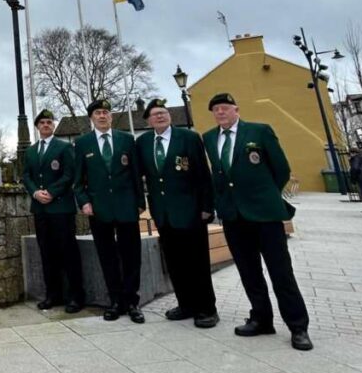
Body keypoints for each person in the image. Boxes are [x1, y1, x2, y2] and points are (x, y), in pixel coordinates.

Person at [202, 93, 312, 351]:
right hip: (233, 216)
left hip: (265, 215)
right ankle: (261, 318)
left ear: (236, 110)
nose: (220, 112)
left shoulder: (259, 131)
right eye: (216, 109)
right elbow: (218, 174)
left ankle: (298, 326)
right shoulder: (209, 138)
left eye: (225, 108)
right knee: (249, 271)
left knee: (280, 271)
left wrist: (265, 195)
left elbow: (281, 168)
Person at [135, 99, 218, 328]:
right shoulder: (143, 143)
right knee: (175, 262)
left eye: (163, 112)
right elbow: (139, 175)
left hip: (191, 211)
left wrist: (207, 207)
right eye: (155, 114)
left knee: (197, 262)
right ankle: (186, 304)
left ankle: (207, 309)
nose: (160, 116)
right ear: (148, 121)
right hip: (163, 213)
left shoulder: (189, 138)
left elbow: (203, 174)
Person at [74, 98, 145, 323]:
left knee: (131, 256)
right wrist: (84, 202)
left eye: (105, 112)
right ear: (91, 118)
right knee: (107, 256)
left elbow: (136, 174)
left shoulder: (126, 139)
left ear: (111, 117)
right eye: (98, 113)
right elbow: (78, 180)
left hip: (126, 207)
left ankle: (132, 302)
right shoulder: (82, 143)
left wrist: (140, 203)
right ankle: (115, 301)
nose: (102, 116)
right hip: (99, 209)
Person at [22, 109, 84, 313]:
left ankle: (76, 296)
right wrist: (35, 192)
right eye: (42, 123)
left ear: (53, 125)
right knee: (47, 253)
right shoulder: (31, 151)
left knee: (68, 252)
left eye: (49, 122)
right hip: (40, 209)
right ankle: (53, 295)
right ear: (37, 127)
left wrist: (51, 192)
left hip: (61, 208)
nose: (46, 125)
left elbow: (69, 174)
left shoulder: (64, 147)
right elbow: (26, 176)